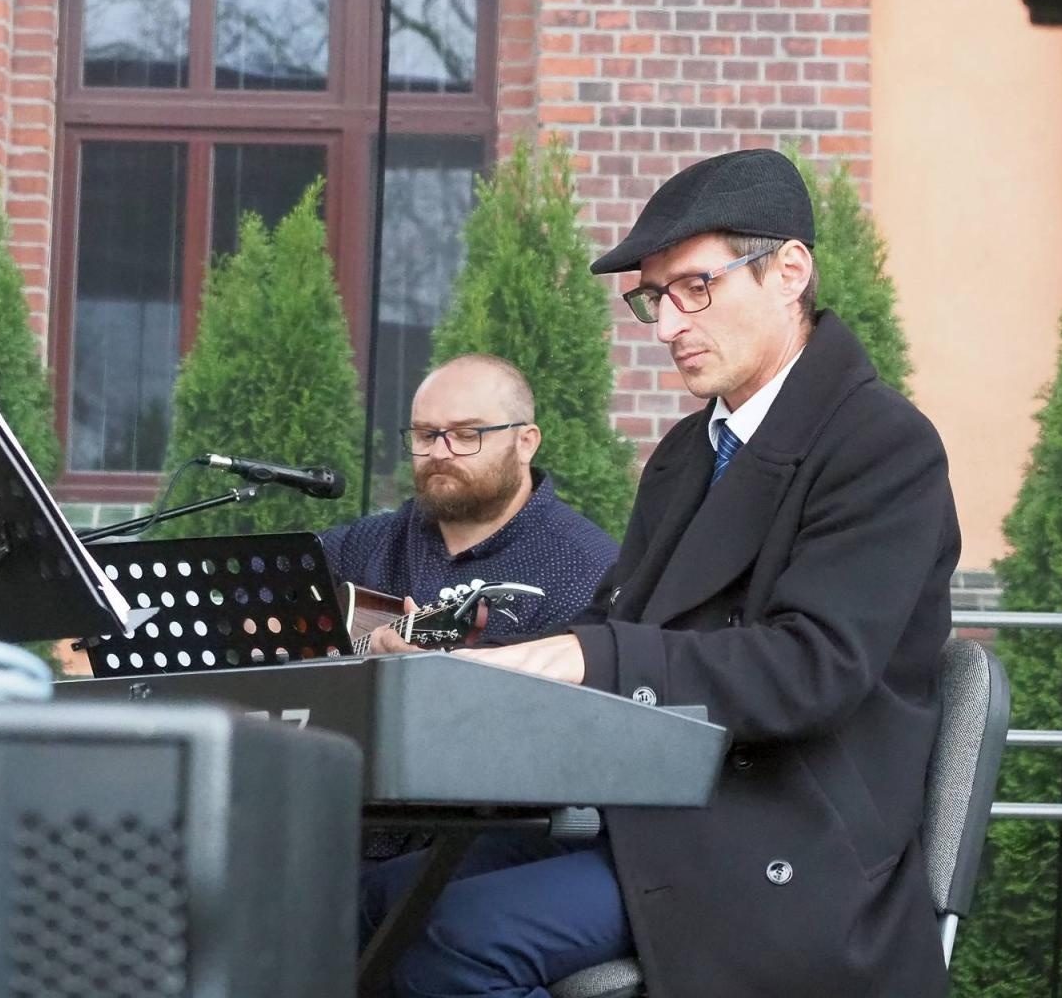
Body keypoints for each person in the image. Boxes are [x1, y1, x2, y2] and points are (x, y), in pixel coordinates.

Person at [362, 148, 960, 998]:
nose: (669, 322)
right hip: (654, 808)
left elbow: (810, 669)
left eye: (695, 287)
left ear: (790, 272)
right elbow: (625, 631)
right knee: (373, 900)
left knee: (455, 943)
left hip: (786, 839)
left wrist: (588, 656)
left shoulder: (881, 444)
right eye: (654, 297)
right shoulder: (689, 451)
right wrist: (466, 669)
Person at [320, 353, 618, 644]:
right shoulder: (371, 544)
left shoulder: (586, 572)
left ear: (525, 443)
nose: (438, 453)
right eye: (425, 435)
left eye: (465, 434)